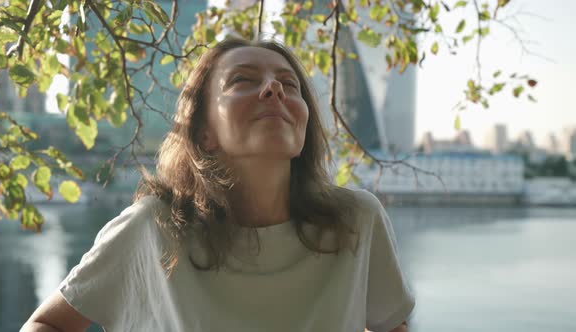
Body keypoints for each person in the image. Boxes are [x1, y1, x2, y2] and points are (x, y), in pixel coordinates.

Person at [21, 37, 415, 332]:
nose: (273, 89)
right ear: (205, 131)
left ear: (303, 124)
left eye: (289, 85)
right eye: (242, 80)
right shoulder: (155, 225)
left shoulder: (357, 220)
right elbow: (48, 325)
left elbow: (392, 325)